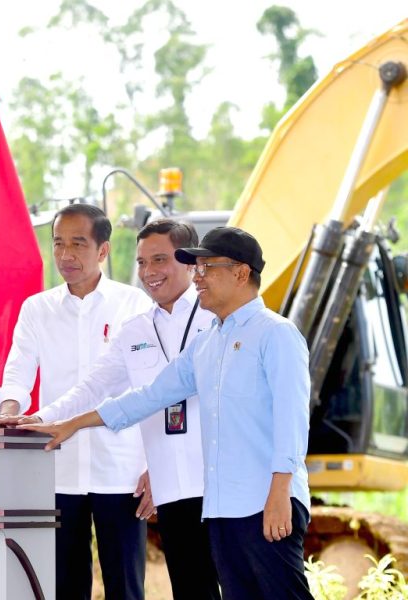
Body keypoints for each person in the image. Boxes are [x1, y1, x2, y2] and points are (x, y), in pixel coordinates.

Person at [23, 226, 313, 600]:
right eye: (197, 268)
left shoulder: (276, 333)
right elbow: (149, 396)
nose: (199, 277)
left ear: (241, 273)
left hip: (266, 501)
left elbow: (292, 420)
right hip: (222, 507)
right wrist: (71, 424)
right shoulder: (208, 343)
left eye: (208, 268)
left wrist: (280, 492)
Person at [3, 219, 220, 599]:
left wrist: (151, 464)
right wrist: (41, 418)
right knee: (187, 583)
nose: (150, 272)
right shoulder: (139, 325)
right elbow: (95, 386)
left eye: (159, 260)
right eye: (142, 262)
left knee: (223, 581)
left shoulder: (214, 317)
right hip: (80, 468)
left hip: (183, 475)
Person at [0, 203, 152, 600]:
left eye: (78, 244)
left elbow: (152, 389)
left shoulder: (134, 306)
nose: (66, 255)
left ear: (103, 250)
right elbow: (17, 373)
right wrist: (10, 411)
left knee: (125, 584)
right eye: (58, 243)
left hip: (122, 467)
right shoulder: (37, 308)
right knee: (64, 584)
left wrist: (153, 463)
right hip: (57, 466)